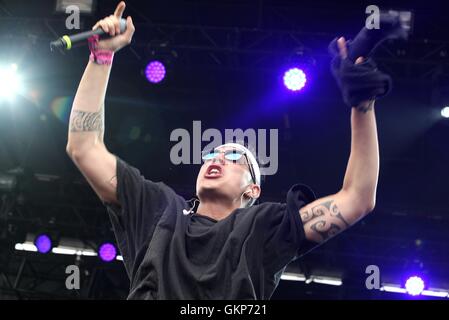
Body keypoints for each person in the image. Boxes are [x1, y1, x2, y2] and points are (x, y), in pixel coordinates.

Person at [66, 1, 383, 299]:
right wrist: (101, 57)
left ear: (253, 190)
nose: (217, 158)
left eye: (234, 157)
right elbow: (83, 147)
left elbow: (357, 198)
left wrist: (362, 106)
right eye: (210, 155)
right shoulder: (159, 209)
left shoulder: (263, 228)